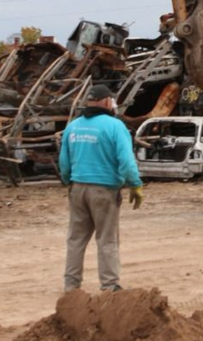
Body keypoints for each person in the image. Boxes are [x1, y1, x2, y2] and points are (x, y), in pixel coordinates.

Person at [59, 84, 144, 292]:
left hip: (77, 189)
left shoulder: (74, 126)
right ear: (107, 102)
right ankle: (109, 285)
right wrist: (135, 184)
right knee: (107, 240)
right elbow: (126, 160)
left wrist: (68, 181)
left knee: (76, 239)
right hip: (104, 190)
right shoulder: (115, 127)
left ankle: (71, 286)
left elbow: (64, 161)